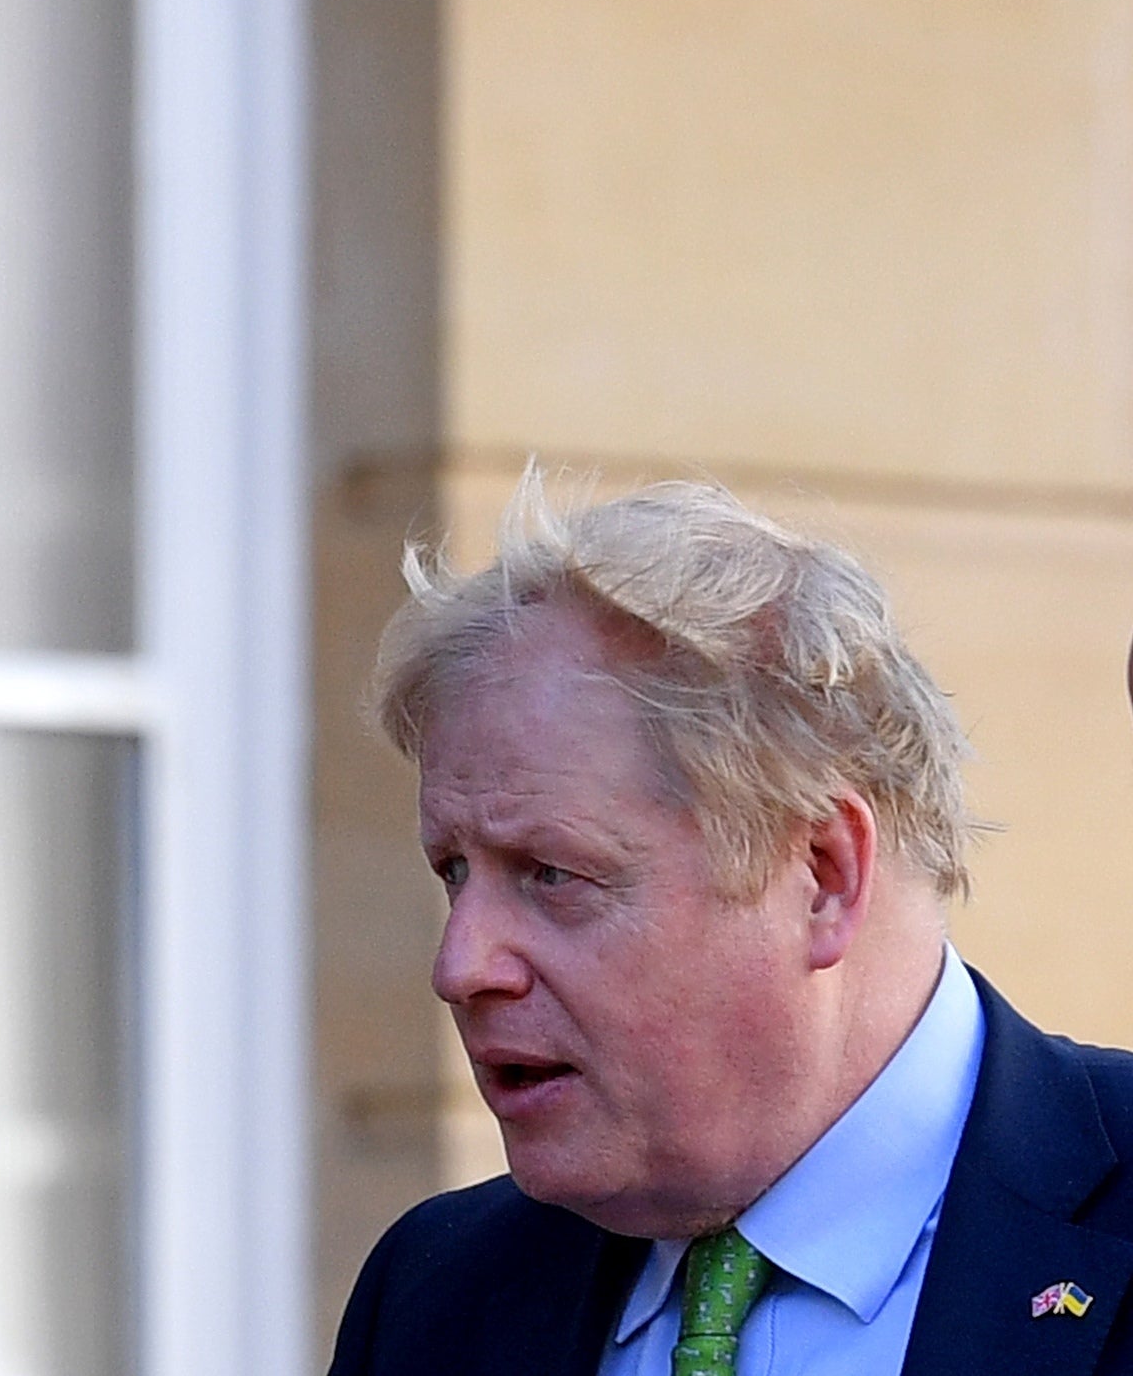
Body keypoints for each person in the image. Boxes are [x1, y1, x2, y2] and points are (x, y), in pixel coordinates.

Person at [328, 475, 1133, 1374]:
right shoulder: (435, 1295)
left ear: (822, 874)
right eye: (454, 872)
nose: (461, 965)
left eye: (553, 873)